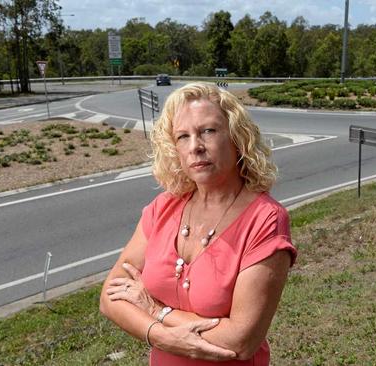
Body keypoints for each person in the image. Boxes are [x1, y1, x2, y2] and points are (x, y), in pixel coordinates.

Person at [99, 83, 297, 365]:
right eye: (183, 136)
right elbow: (110, 298)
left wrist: (157, 312)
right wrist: (157, 336)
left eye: (208, 131)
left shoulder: (266, 220)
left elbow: (241, 341)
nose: (195, 147)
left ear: (236, 138)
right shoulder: (163, 208)